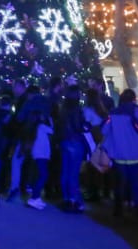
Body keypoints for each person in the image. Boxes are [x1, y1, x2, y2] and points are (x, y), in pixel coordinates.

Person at [104, 89, 138, 218]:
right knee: (135, 183)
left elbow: (104, 130)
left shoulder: (113, 114)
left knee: (119, 183)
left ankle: (118, 209)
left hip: (119, 154)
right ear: (134, 99)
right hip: (135, 154)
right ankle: (137, 208)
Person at [56, 85, 88, 213]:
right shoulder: (76, 109)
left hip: (64, 142)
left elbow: (59, 127)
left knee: (65, 171)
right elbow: (77, 126)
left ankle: (67, 198)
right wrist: (85, 125)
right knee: (73, 173)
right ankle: (75, 200)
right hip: (75, 142)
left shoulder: (63, 109)